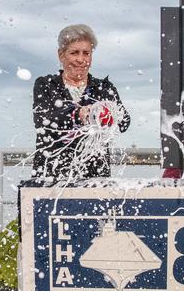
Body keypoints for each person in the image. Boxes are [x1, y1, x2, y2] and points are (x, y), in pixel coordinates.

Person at [32, 24, 130, 181]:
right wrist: (78, 115)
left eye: (86, 53)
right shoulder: (46, 84)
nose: (81, 59)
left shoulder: (103, 88)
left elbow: (124, 123)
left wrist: (110, 112)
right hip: (51, 173)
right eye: (74, 53)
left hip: (95, 175)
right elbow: (42, 121)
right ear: (61, 55)